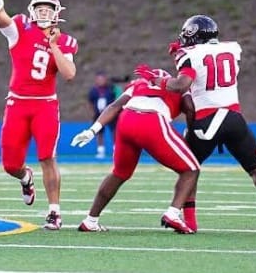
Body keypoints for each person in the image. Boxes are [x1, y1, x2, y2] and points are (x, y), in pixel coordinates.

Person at [138, 14, 256, 235]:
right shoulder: (233, 49)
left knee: (189, 169)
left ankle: (190, 221)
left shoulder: (189, 54)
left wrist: (157, 79)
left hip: (205, 119)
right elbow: (210, 62)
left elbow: (181, 84)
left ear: (194, 34)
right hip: (234, 117)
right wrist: (182, 54)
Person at [0, 0, 77, 230]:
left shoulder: (64, 41)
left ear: (57, 14)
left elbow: (69, 74)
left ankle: (54, 211)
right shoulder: (21, 28)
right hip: (17, 104)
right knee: (10, 164)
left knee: (47, 157)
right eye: (40, 9)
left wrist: (54, 45)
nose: (44, 13)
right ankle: (25, 177)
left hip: (45, 105)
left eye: (48, 9)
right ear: (32, 11)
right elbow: (0, 16)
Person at [71, 69, 200, 234]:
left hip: (126, 120)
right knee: (191, 169)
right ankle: (173, 214)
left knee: (119, 173)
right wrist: (191, 131)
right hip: (151, 120)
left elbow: (115, 106)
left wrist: (92, 130)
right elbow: (189, 107)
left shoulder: (138, 84)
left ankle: (90, 220)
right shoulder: (178, 85)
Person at [86, 71, 118, 159]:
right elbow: (90, 102)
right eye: (99, 79)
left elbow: (116, 99)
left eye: (102, 79)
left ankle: (116, 150)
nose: (100, 81)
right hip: (98, 114)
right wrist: (93, 112)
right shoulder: (93, 91)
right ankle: (101, 150)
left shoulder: (111, 88)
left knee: (114, 131)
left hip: (111, 113)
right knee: (99, 132)